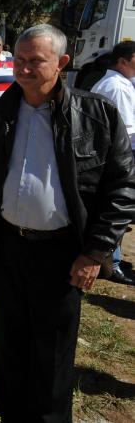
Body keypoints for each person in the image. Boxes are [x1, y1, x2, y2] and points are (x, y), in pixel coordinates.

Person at [0, 24, 135, 422]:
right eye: (19, 61)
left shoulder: (95, 115)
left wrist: (95, 251)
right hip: (9, 248)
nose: (24, 70)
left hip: (63, 254)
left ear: (61, 63)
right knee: (9, 345)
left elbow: (123, 186)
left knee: (54, 353)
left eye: (35, 62)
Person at [90, 40, 135, 286]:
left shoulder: (117, 84)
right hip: (116, 159)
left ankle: (112, 259)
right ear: (123, 61)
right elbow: (126, 134)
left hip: (109, 157)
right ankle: (113, 263)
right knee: (116, 207)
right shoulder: (117, 87)